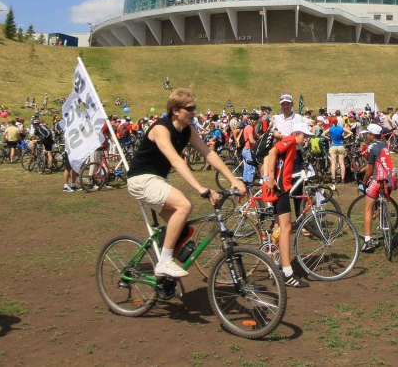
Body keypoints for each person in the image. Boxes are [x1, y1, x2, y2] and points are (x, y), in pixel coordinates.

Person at [125, 89, 246, 278]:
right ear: (175, 110)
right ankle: (164, 262)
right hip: (141, 178)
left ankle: (164, 278)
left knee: (182, 229)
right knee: (184, 205)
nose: (194, 112)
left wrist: (233, 179)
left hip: (159, 178)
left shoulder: (188, 130)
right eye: (189, 109)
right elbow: (176, 160)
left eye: (194, 108)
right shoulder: (161, 129)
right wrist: (200, 188)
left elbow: (208, 153)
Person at [262, 120, 314, 288]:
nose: (306, 139)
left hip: (280, 187)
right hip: (281, 187)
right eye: (304, 136)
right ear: (297, 133)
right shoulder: (290, 140)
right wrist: (271, 177)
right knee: (286, 228)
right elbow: (272, 152)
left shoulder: (292, 143)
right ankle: (287, 272)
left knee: (278, 227)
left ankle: (272, 265)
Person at [357, 124, 391, 252]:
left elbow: (371, 169)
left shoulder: (371, 147)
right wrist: (362, 170)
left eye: (367, 134)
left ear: (372, 135)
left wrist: (364, 182)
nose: (366, 136)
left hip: (378, 180)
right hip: (389, 180)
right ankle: (385, 218)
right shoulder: (384, 146)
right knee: (383, 201)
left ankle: (367, 241)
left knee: (368, 208)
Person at [326, 116, 351, 187]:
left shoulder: (330, 128)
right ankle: (342, 179)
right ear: (337, 121)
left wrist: (329, 138)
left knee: (333, 163)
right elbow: (350, 133)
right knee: (342, 163)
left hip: (333, 146)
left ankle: (333, 179)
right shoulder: (341, 128)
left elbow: (323, 134)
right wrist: (344, 137)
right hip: (341, 145)